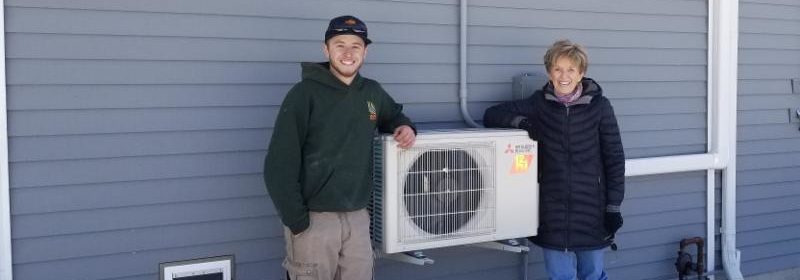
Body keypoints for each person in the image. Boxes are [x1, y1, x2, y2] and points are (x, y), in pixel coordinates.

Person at [264, 15, 416, 280]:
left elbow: (393, 115)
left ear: (365, 51)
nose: (348, 53)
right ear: (326, 49)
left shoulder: (371, 92)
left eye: (355, 46)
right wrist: (298, 223)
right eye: (339, 44)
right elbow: (278, 166)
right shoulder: (304, 95)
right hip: (314, 220)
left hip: (358, 218)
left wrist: (405, 127)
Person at [483, 39, 625, 280]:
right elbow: (492, 114)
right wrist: (524, 123)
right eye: (558, 69)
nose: (564, 76)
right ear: (549, 72)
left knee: (593, 275)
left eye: (571, 69)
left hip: (592, 211)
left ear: (581, 73)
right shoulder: (539, 104)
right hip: (553, 211)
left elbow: (615, 159)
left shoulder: (600, 107)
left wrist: (613, 207)